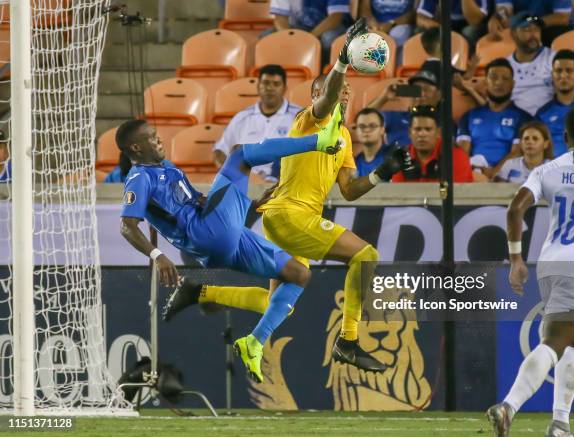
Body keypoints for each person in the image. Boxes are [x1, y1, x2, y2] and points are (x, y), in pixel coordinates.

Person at [118, 114, 344, 384]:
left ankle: (254, 343)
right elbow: (127, 225)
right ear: (136, 148)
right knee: (239, 155)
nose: (159, 139)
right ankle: (321, 141)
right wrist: (158, 256)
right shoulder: (139, 178)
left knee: (299, 274)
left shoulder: (167, 167)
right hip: (206, 235)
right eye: (152, 137)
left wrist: (249, 207)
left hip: (219, 242)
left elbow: (202, 202)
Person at [259, 18, 410, 372]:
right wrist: (341, 61)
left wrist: (381, 173)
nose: (344, 93)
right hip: (290, 213)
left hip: (297, 218)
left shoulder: (342, 137)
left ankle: (202, 293)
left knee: (280, 300)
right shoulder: (309, 120)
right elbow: (328, 97)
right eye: (336, 90)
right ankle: (349, 340)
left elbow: (350, 191)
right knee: (366, 255)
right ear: (317, 94)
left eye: (347, 92)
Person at [487, 106, 574, 437]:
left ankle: (560, 423)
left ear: (565, 137)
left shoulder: (547, 170)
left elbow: (515, 210)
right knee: (557, 339)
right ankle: (508, 406)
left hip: (549, 260)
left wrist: (516, 260)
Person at [213, 64, 301, 182]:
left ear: (284, 88)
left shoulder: (299, 117)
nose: (269, 88)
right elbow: (219, 151)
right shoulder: (242, 118)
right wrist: (232, 174)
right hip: (245, 184)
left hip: (286, 185)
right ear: (258, 86)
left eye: (276, 84)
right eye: (265, 83)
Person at [457, 58, 532, 179]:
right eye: (494, 77)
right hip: (475, 174)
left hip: (509, 177)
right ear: (486, 82)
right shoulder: (469, 116)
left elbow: (516, 152)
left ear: (513, 84)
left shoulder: (523, 118)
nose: (498, 83)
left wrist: (493, 173)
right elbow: (462, 151)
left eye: (505, 78)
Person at [392, 105, 473, 182]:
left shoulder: (456, 156)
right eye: (417, 129)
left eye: (428, 129)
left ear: (438, 133)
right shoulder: (400, 157)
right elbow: (396, 192)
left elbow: (458, 192)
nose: (422, 134)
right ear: (409, 133)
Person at [367, 62, 442, 146]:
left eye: (427, 89)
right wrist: (384, 97)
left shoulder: (445, 122)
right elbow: (364, 119)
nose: (422, 94)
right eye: (417, 89)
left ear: (439, 95)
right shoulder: (394, 117)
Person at [506, 12, 556, 116]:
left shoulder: (554, 59)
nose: (533, 34)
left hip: (549, 118)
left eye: (536, 30)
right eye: (527, 29)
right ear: (513, 33)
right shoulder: (506, 65)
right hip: (515, 120)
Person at [269, 0, 352, 61]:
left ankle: (324, 72)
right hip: (299, 26)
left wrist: (309, 37)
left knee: (328, 38)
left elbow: (335, 18)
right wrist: (290, 37)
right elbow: (280, 18)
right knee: (267, 36)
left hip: (330, 27)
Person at [488, 0, 574, 46]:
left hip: (553, 29)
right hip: (521, 28)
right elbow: (504, 11)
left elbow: (562, 18)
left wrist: (529, 20)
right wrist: (498, 18)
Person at [416, 0, 490, 45]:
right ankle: (433, 64)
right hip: (446, 26)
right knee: (422, 31)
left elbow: (474, 21)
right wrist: (439, 29)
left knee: (469, 31)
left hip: (474, 25)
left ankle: (465, 63)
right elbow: (421, 18)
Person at [353, 108, 390, 177]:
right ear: (356, 130)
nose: (367, 130)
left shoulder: (393, 156)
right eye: (362, 126)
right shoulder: (354, 163)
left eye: (372, 126)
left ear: (382, 129)